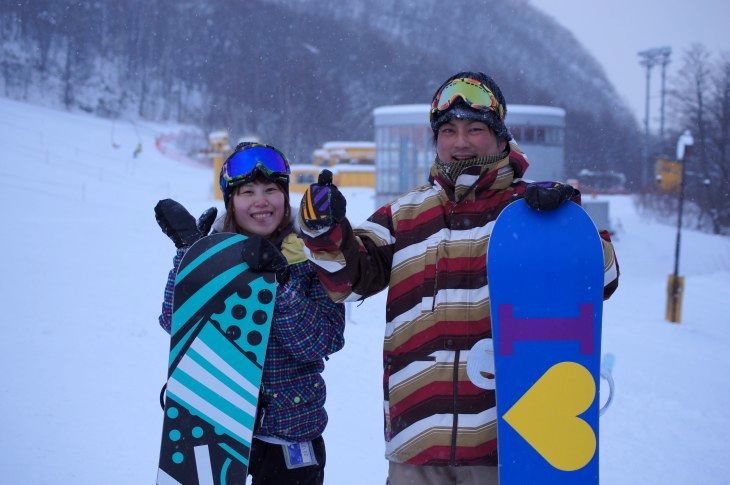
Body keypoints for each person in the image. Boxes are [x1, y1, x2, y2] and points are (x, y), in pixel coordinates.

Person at [297, 71, 619, 484]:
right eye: (448, 130)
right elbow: (348, 278)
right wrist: (326, 233)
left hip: (504, 445)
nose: (461, 141)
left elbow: (604, 280)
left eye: (475, 129)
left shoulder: (531, 212)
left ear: (502, 138)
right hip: (417, 441)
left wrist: (566, 225)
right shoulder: (405, 214)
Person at [155, 142, 346, 485]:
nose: (261, 201)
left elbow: (321, 341)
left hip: (290, 435)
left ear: (285, 196)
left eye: (271, 189)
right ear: (231, 200)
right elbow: (175, 323)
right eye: (247, 192)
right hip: (217, 428)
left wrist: (281, 284)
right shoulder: (216, 254)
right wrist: (191, 259)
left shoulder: (311, 256)